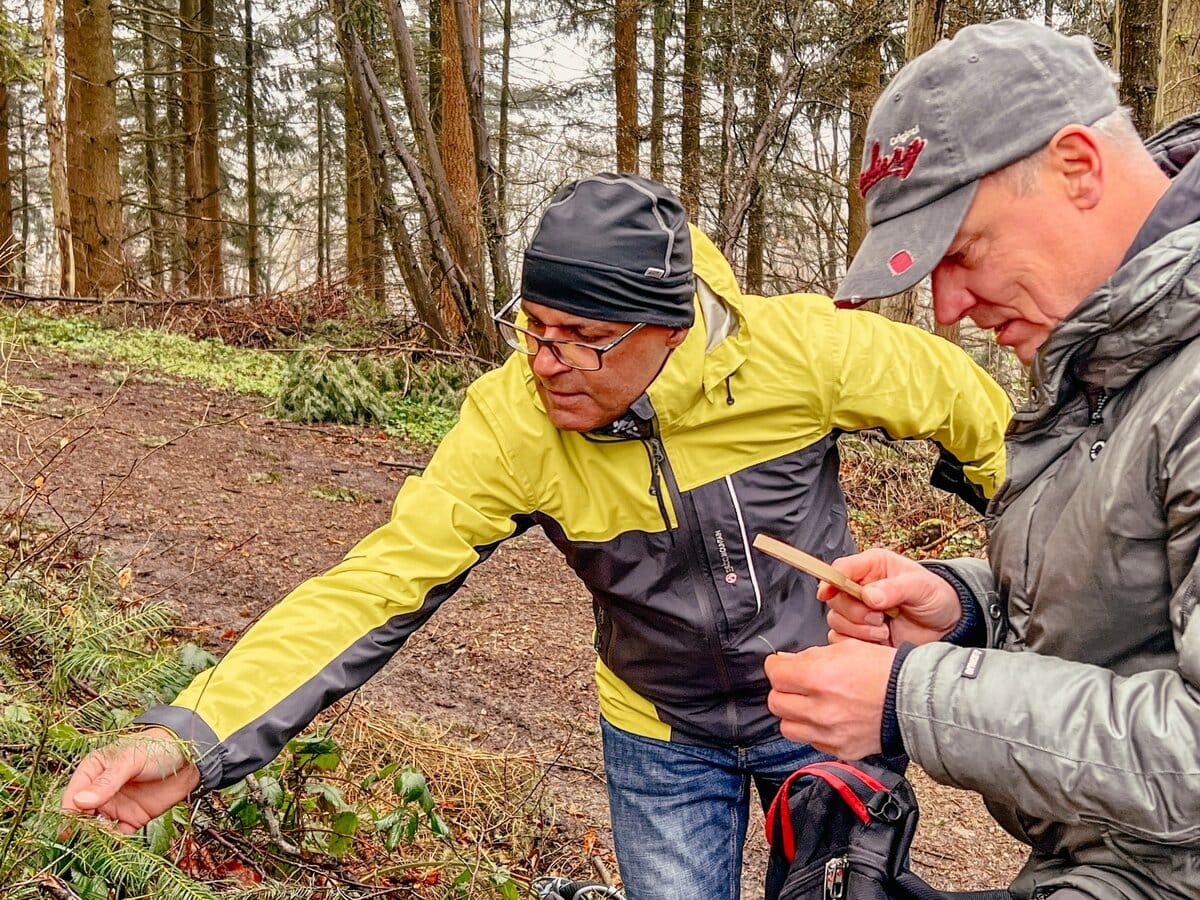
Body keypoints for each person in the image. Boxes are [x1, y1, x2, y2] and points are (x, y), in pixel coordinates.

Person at [60, 173, 1011, 900]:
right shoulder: (512, 421)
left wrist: (1026, 565)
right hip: (660, 734)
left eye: (583, 338)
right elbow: (376, 585)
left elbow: (977, 412)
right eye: (533, 327)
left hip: (822, 707)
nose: (546, 363)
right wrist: (192, 738)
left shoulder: (804, 353)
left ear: (668, 329)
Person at [764, 18, 1200, 900]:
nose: (949, 306)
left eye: (962, 251)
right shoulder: (1109, 359)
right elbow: (1140, 627)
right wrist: (965, 612)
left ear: (1078, 165)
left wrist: (909, 696)